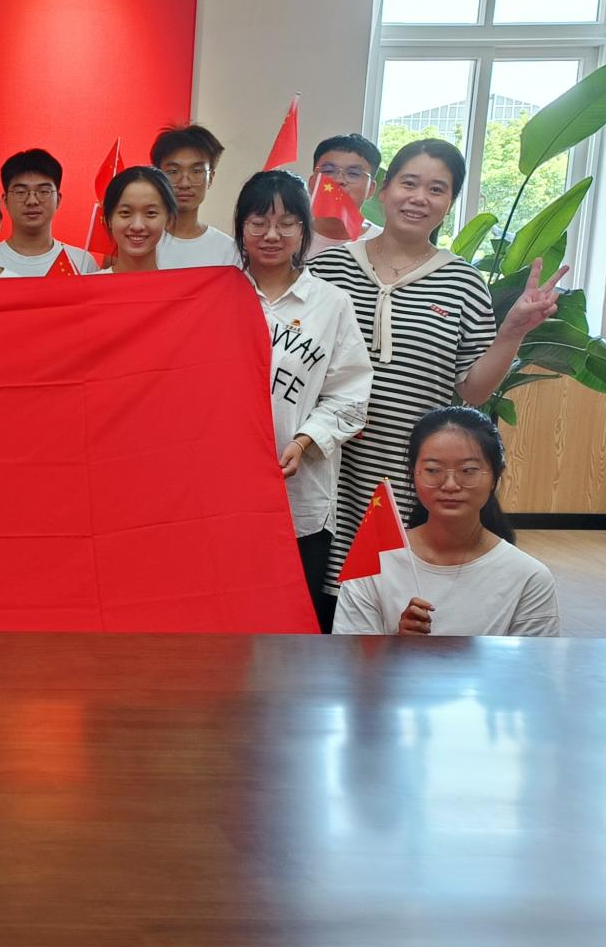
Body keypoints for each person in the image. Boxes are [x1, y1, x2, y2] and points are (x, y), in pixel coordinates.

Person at [308, 138, 566, 596]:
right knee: (323, 600)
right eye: (409, 183)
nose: (419, 198)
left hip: (409, 473)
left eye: (436, 189)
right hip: (328, 465)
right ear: (384, 189)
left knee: (393, 600)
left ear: (450, 203)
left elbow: (474, 391)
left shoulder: (462, 282)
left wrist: (512, 331)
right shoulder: (328, 269)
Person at [235, 170, 372, 630]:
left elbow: (350, 395)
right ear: (241, 228)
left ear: (303, 229)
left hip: (301, 496)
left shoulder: (331, 303)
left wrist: (305, 440)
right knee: (230, 619)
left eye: (286, 223)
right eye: (258, 222)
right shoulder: (218, 294)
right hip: (225, 492)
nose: (271, 235)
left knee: (294, 626)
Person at [333, 406, 560, 637]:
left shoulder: (528, 577)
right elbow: (348, 656)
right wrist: (398, 644)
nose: (450, 484)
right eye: (433, 470)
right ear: (413, 473)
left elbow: (533, 660)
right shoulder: (373, 564)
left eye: (468, 470)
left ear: (495, 476)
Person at [0, 148, 97, 276]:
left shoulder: (82, 262)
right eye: (21, 192)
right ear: (5, 200)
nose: (32, 201)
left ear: (58, 200)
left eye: (43, 192)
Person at [150, 124, 239, 269]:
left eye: (196, 171)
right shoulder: (141, 242)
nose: (184, 183)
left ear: (211, 178)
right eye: (173, 171)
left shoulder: (227, 251)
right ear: (157, 176)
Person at [97, 167, 180, 273]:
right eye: (125, 212)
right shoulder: (87, 283)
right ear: (108, 219)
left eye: (150, 213)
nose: (137, 226)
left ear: (169, 220)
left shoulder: (181, 283)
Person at [311, 132, 383, 243]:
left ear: (371, 189)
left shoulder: (383, 241)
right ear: (312, 182)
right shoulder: (289, 236)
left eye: (353, 173)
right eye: (328, 171)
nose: (339, 180)